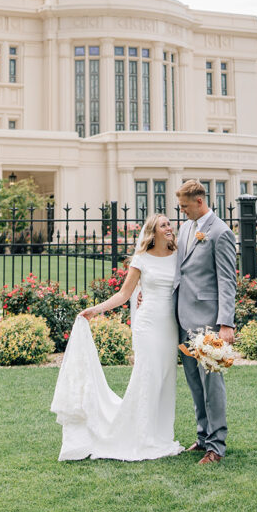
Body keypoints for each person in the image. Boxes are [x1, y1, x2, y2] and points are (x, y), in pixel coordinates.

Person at [51, 212, 184, 461]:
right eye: (163, 225)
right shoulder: (141, 259)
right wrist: (95, 309)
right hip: (147, 325)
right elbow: (124, 295)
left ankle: (161, 435)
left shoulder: (178, 256)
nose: (169, 227)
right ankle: (141, 437)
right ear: (152, 232)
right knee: (147, 377)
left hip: (169, 326)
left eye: (169, 224)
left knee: (166, 378)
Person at [175, 179, 237, 465]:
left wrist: (226, 324)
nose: (182, 211)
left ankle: (217, 445)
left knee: (211, 384)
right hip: (184, 319)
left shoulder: (221, 232)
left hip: (209, 322)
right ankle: (202, 438)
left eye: (185, 206)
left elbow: (227, 281)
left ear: (199, 202)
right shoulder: (186, 228)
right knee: (194, 383)